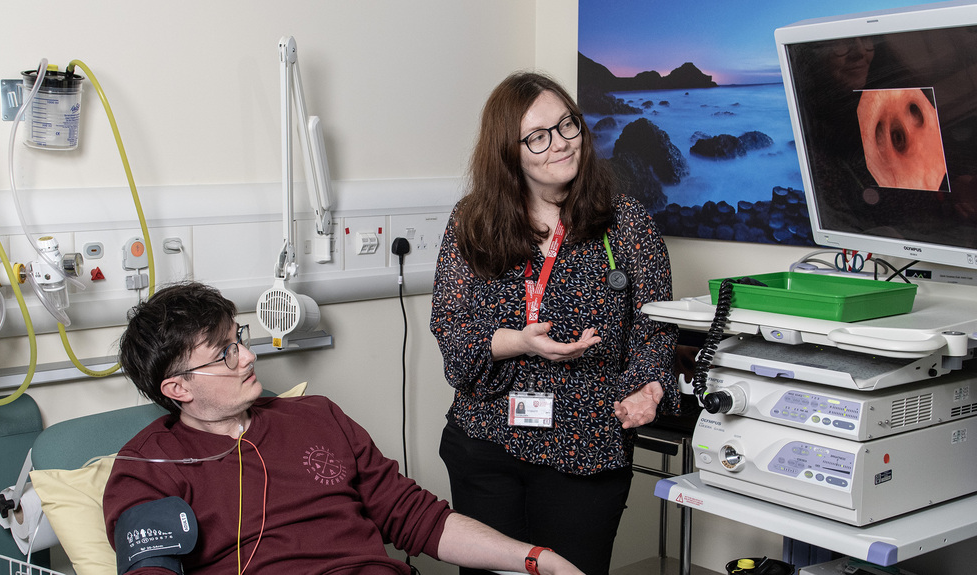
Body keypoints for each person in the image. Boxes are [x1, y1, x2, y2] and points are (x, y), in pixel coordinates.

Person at [103, 282, 584, 575]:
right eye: (225, 353)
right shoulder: (148, 467)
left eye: (239, 339)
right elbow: (151, 570)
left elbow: (416, 516)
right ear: (179, 388)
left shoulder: (316, 416)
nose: (248, 356)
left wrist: (534, 557)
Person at [430, 72, 679, 575]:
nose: (561, 144)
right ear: (509, 151)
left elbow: (655, 330)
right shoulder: (472, 222)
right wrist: (518, 342)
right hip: (486, 442)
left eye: (568, 126)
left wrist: (647, 388)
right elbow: (451, 330)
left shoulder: (626, 223)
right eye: (538, 136)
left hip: (586, 446)